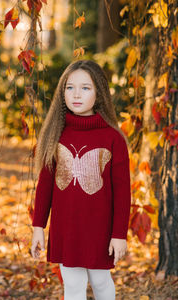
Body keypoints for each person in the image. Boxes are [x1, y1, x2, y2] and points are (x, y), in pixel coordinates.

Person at [31, 59, 131, 300]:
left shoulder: (113, 138)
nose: (76, 94)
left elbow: (122, 192)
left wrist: (119, 234)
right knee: (73, 284)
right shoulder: (56, 133)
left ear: (99, 93)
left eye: (85, 87)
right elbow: (45, 185)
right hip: (66, 226)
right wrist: (38, 227)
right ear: (62, 92)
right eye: (69, 87)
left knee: (100, 280)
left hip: (100, 228)